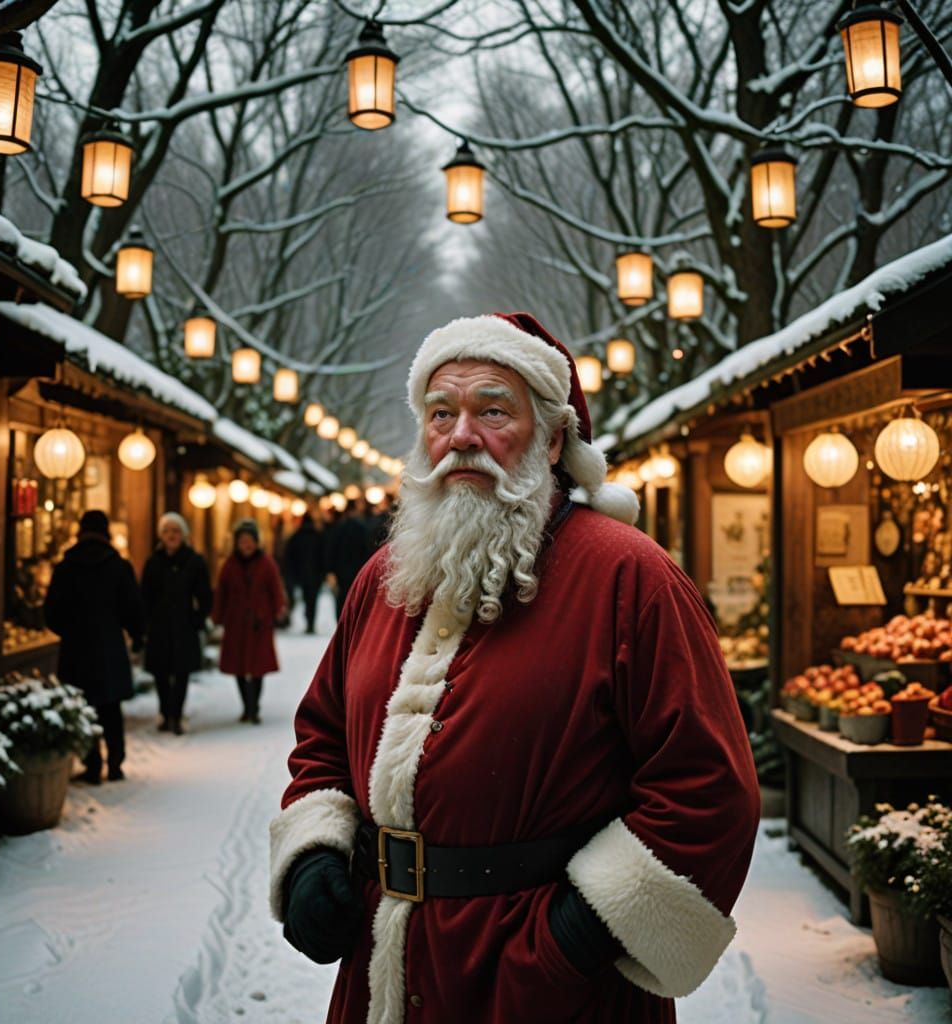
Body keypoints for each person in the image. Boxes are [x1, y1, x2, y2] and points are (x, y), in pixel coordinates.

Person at [269, 313, 761, 1023]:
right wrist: (316, 853)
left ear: (554, 438)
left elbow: (708, 789)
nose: (461, 435)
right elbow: (321, 734)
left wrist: (573, 937)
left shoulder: (631, 578)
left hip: (549, 987)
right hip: (382, 968)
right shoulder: (384, 578)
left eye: (493, 409)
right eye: (442, 413)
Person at [44, 509, 144, 784]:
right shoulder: (119, 566)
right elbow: (132, 609)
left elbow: (51, 613)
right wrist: (136, 636)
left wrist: (70, 631)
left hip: (76, 650)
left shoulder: (65, 567)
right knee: (110, 708)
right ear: (106, 532)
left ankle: (91, 765)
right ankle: (115, 764)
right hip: (109, 645)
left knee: (83, 707)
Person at [140, 512, 213, 735]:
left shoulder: (194, 561)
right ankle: (165, 712)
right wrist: (145, 622)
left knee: (181, 673)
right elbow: (144, 596)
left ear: (184, 535)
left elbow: (205, 596)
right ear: (160, 535)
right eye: (167, 531)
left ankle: (176, 715)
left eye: (176, 531)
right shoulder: (153, 562)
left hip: (184, 625)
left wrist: (197, 618)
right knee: (161, 673)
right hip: (159, 626)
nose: (171, 535)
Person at [213, 519, 288, 724]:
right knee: (238, 666)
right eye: (242, 541)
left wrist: (278, 609)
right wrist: (217, 616)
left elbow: (275, 588)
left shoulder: (266, 563)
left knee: (257, 667)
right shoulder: (229, 565)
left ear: (256, 542)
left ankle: (254, 707)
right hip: (236, 622)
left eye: (249, 541)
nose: (246, 545)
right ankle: (246, 705)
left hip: (259, 623)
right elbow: (222, 592)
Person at [324, 499, 372, 618]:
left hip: (340, 570)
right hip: (357, 570)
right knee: (356, 599)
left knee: (341, 598)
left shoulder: (339, 528)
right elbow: (365, 551)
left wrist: (330, 570)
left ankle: (341, 622)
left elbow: (331, 550)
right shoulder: (362, 528)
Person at [284, 514, 326, 634]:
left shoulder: (296, 537)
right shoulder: (318, 537)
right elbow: (323, 556)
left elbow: (289, 557)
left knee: (305, 597)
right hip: (315, 574)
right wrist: (323, 572)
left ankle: (308, 621)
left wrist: (291, 574)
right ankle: (310, 622)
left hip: (301, 574)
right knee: (312, 600)